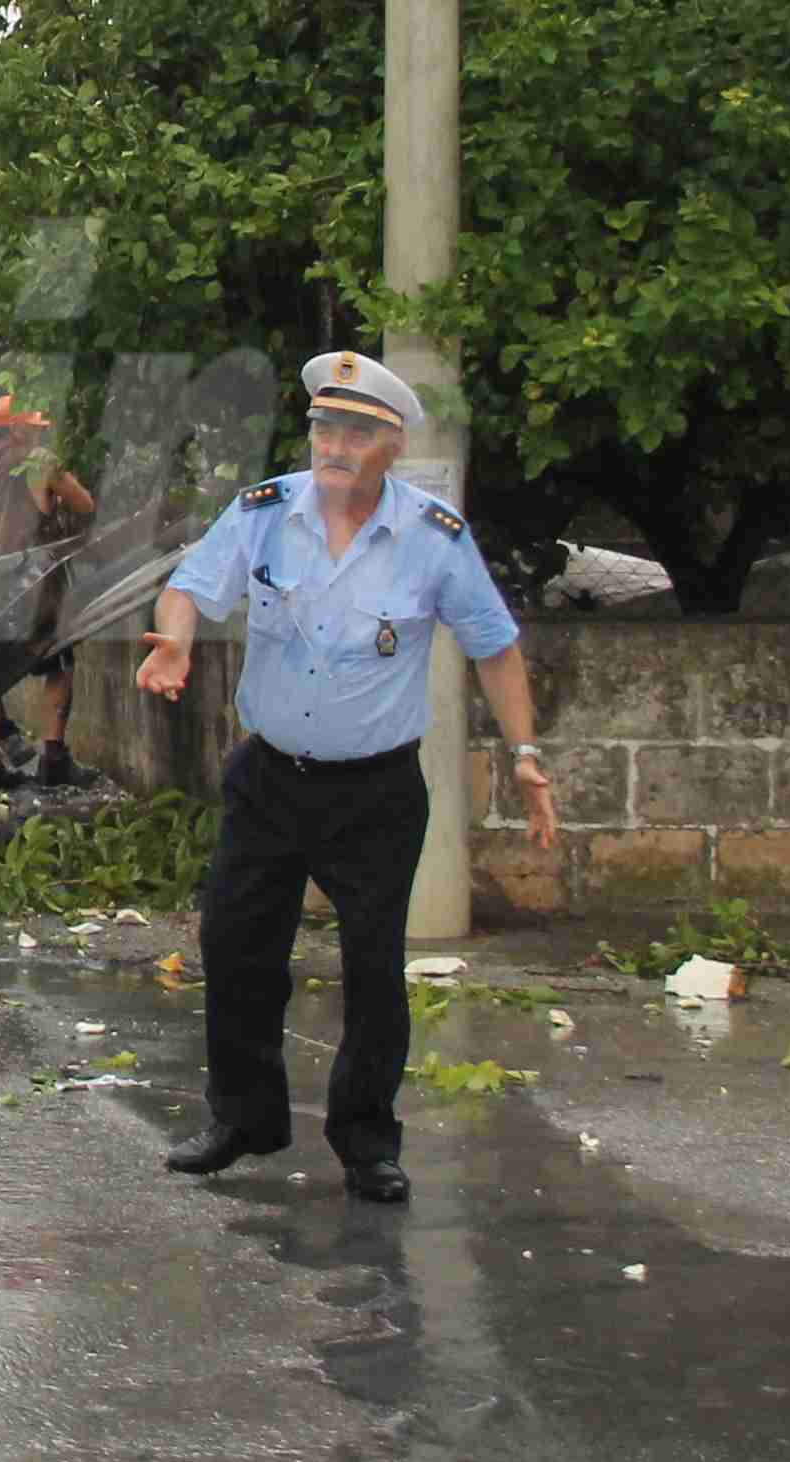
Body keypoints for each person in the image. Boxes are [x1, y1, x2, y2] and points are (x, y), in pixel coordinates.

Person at [137, 352, 564, 1205]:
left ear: (392, 446)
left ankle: (367, 1141)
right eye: (326, 426)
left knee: (373, 968)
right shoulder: (262, 513)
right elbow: (189, 586)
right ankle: (246, 1118)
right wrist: (177, 639)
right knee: (235, 945)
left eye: (358, 432)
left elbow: (495, 648)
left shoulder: (433, 538)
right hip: (268, 780)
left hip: (374, 792)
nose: (335, 444)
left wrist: (524, 755)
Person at [0, 398, 94, 791]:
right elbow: (85, 504)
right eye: (33, 426)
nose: (39, 431)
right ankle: (53, 757)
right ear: (16, 429)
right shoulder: (40, 462)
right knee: (60, 663)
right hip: (36, 584)